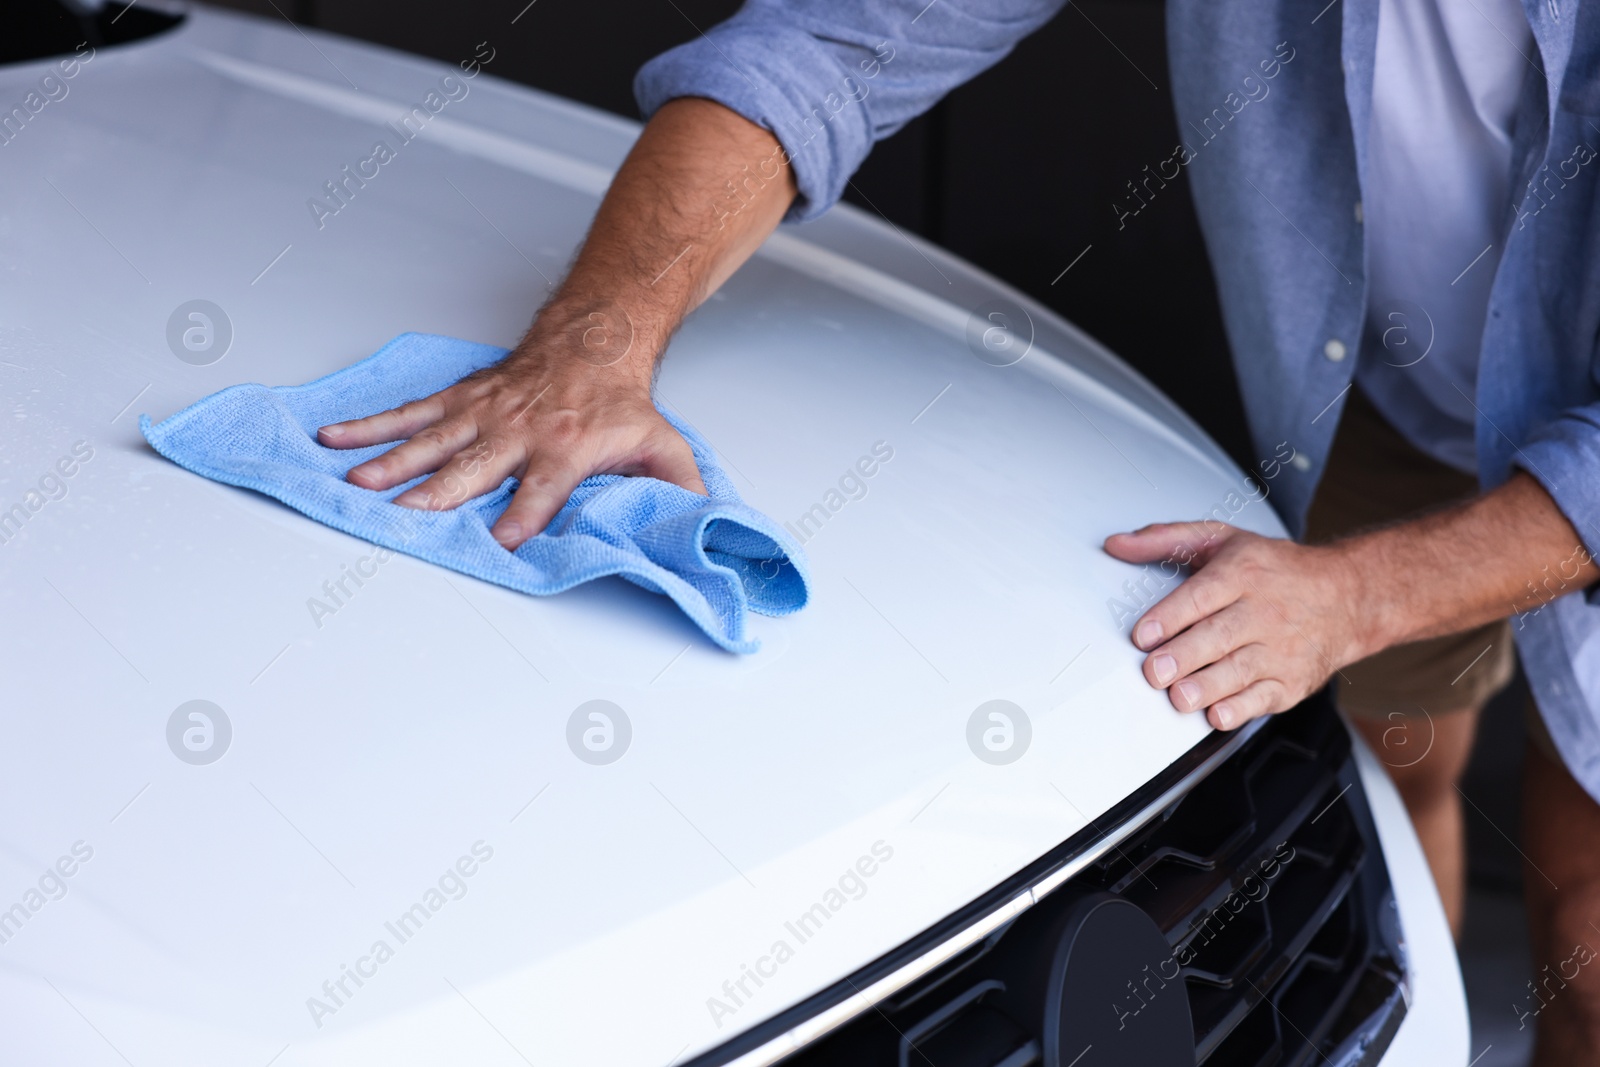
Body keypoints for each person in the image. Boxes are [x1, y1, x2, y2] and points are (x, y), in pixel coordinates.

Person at [315, 2, 1600, 1059]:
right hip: (1388, 386)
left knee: (1585, 940)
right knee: (1396, 763)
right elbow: (826, 47)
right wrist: (595, 344)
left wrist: (1355, 598)